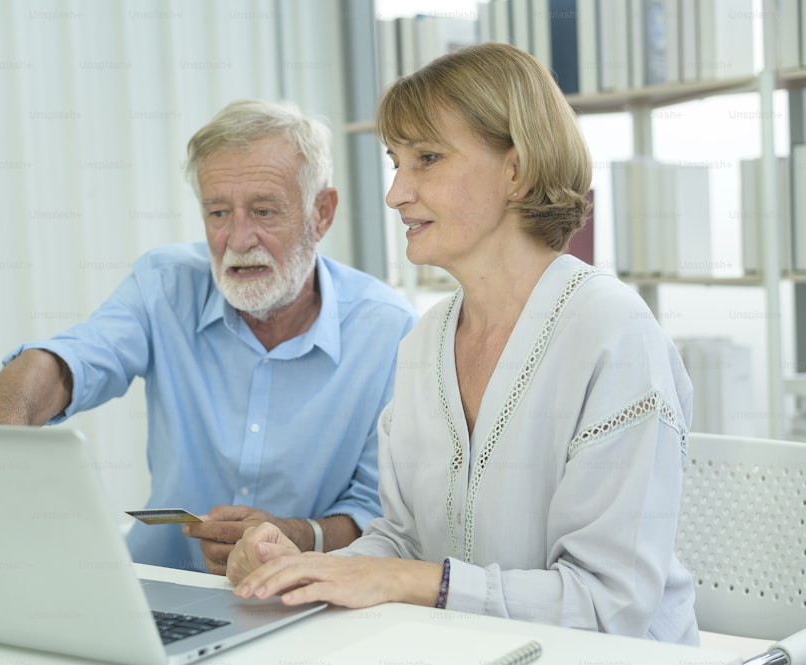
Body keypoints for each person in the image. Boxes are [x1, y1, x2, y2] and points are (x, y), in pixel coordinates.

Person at [226, 43, 699, 644]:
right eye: (396, 162)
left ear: (517, 171)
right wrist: (300, 568)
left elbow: (608, 604)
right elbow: (400, 541)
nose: (397, 193)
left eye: (427, 158)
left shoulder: (614, 334)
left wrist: (406, 580)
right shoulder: (425, 341)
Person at [0, 99, 418, 575]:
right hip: (160, 588)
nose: (238, 239)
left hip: (307, 603)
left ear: (321, 213)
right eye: (218, 213)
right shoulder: (165, 284)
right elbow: (69, 363)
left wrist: (299, 535)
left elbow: (378, 509)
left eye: (264, 211)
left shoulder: (388, 330)